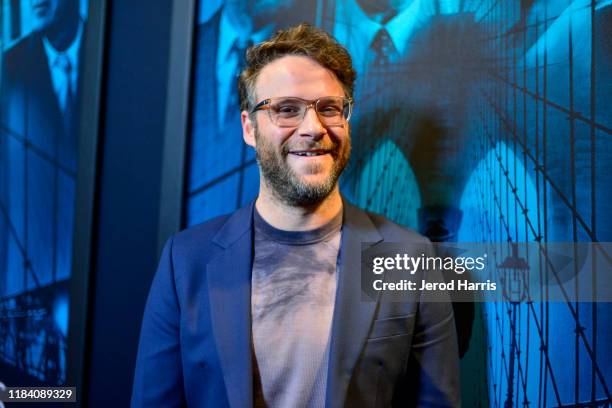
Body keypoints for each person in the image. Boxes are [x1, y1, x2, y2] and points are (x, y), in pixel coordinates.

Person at [131, 24, 460, 407]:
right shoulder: (185, 262)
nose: (313, 128)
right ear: (249, 128)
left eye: (329, 109)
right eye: (287, 110)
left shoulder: (412, 260)